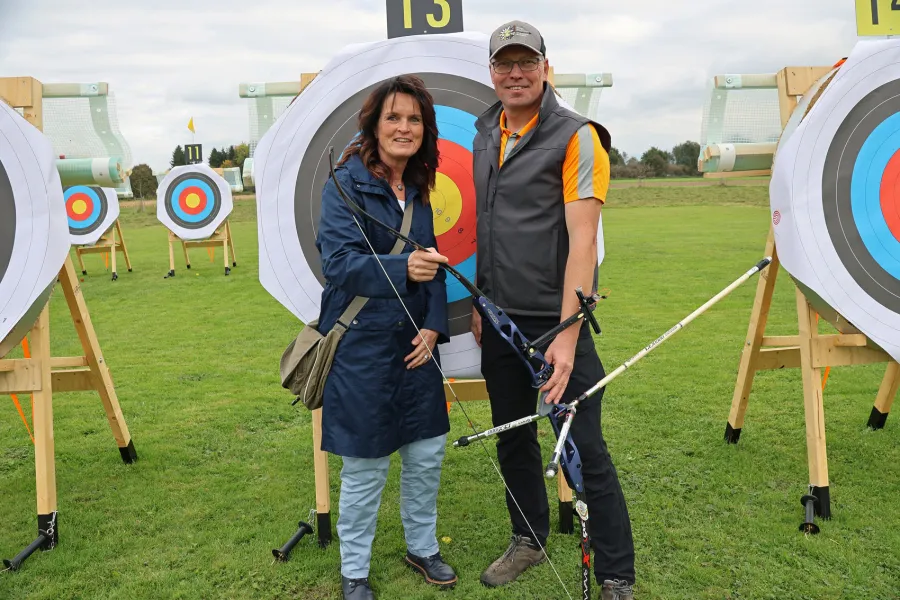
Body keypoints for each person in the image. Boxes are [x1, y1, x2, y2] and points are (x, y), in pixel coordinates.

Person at [470, 20, 637, 600]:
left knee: (582, 444)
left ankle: (616, 574)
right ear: (491, 72)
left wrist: (566, 334)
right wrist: (480, 302)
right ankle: (527, 538)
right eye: (503, 63)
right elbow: (489, 228)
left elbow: (583, 241)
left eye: (526, 61)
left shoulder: (578, 136)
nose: (514, 73)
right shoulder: (482, 130)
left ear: (546, 66)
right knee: (513, 437)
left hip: (553, 321)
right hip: (497, 319)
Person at [315, 75, 456, 600]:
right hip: (363, 345)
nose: (404, 127)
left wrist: (434, 326)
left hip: (416, 345)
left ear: (425, 129)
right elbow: (340, 265)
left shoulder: (418, 188)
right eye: (393, 118)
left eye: (414, 119)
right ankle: (355, 571)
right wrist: (405, 268)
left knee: (427, 453)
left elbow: (435, 265)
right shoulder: (344, 185)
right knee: (367, 463)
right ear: (374, 126)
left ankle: (422, 547)